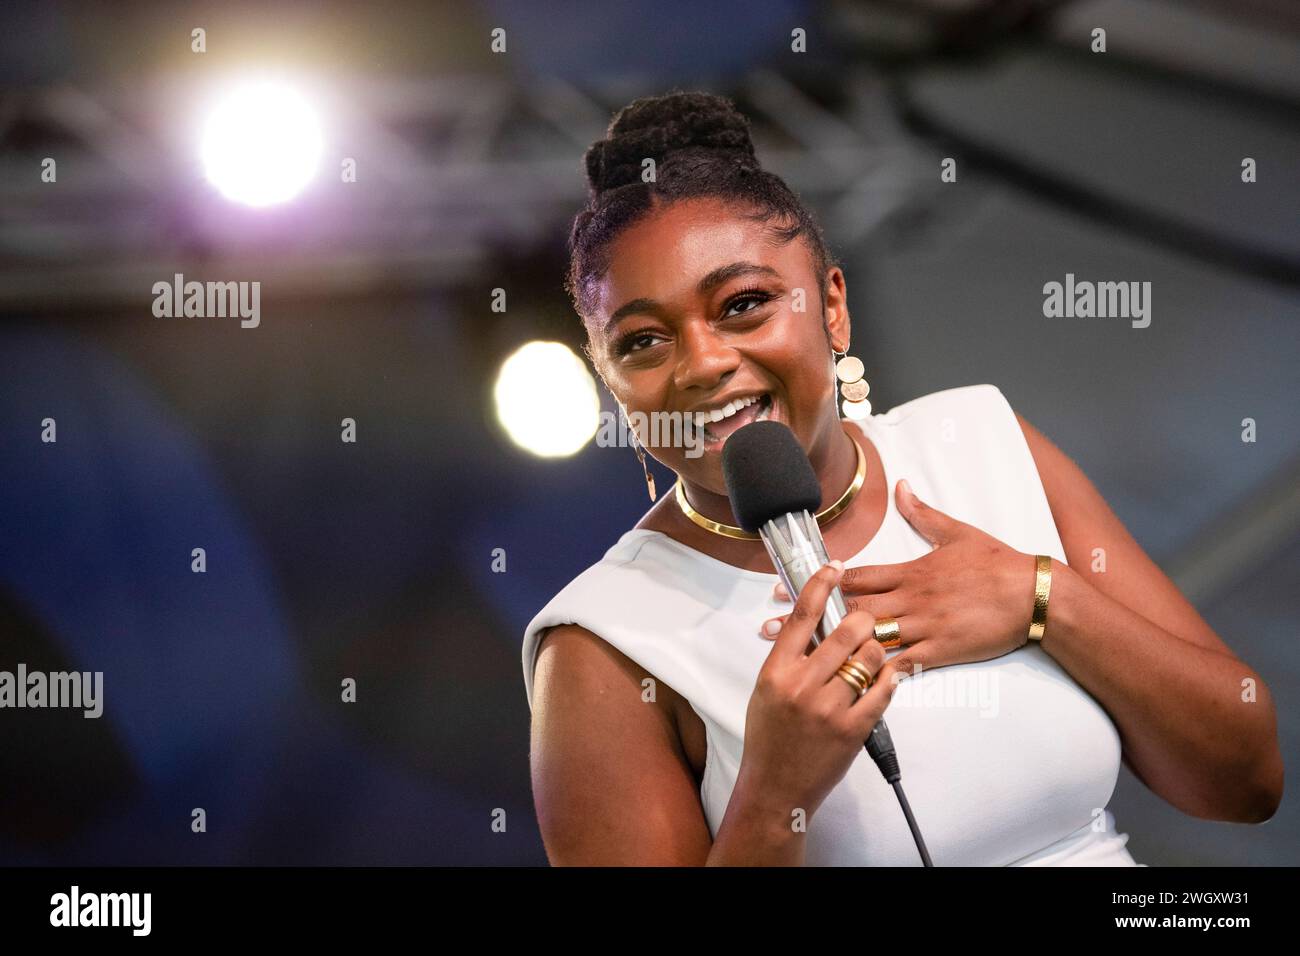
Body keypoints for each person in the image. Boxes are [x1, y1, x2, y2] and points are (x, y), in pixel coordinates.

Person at [520, 90, 1283, 866]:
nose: (705, 363)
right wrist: (774, 794)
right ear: (610, 380)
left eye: (744, 304)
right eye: (643, 341)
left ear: (832, 306)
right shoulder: (603, 643)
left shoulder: (982, 440)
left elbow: (1248, 781)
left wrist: (1043, 598)